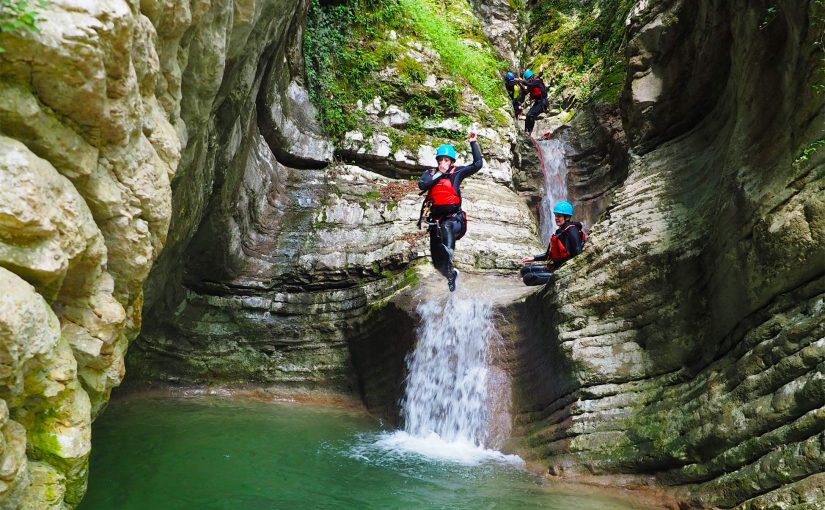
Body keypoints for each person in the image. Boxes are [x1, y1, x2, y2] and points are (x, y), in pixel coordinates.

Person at [418, 132, 483, 292]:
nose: (443, 163)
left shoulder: (457, 173)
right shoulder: (431, 174)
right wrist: (440, 173)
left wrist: (473, 143)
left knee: (446, 227)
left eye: (446, 160)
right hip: (435, 220)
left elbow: (478, 164)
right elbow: (423, 185)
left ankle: (449, 253)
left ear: (452, 161)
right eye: (440, 160)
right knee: (437, 260)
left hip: (455, 221)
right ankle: (450, 275)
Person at [520, 201, 585, 286]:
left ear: (567, 217)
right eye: (555, 215)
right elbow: (549, 255)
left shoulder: (572, 230)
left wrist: (574, 271)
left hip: (564, 270)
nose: (556, 218)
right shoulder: (559, 232)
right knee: (525, 270)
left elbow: (578, 251)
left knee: (528, 278)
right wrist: (533, 258)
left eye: (559, 216)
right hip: (555, 267)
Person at [518, 69, 548, 136]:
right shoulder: (531, 84)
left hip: (542, 103)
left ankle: (529, 132)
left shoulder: (537, 82)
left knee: (531, 115)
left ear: (533, 76)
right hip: (537, 102)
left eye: (530, 78)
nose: (529, 80)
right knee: (528, 115)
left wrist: (520, 80)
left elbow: (528, 84)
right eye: (528, 79)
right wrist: (520, 84)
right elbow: (526, 92)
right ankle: (526, 131)